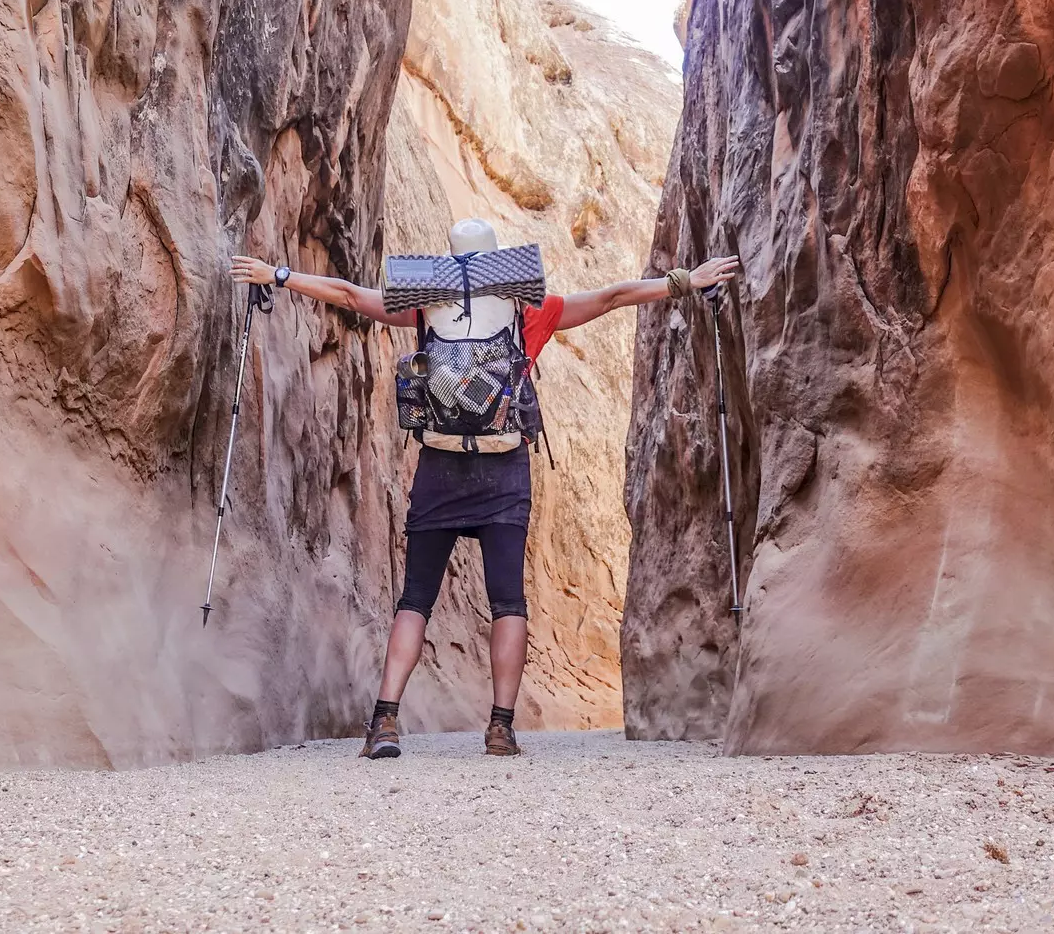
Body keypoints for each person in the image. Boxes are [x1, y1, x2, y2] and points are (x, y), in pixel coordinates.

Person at [230, 219, 739, 760]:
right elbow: (614, 296)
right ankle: (500, 729)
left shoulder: (424, 310)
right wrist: (687, 279)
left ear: (451, 265)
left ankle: (383, 722)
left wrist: (277, 274)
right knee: (508, 603)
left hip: (439, 469)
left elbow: (350, 296)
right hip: (503, 470)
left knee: (416, 599)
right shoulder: (529, 313)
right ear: (499, 263)